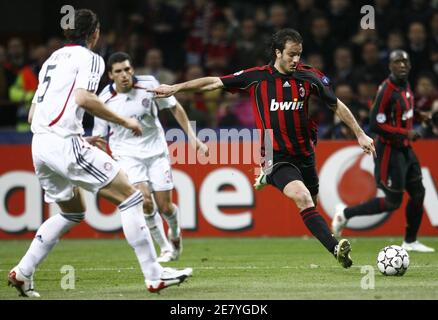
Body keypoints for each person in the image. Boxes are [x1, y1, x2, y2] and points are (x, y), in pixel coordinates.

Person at [149, 28, 376, 268]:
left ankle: (266, 178)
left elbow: (336, 105)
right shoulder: (256, 77)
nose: (296, 60)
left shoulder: (309, 77)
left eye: (299, 54)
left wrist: (360, 134)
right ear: (278, 52)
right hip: (274, 154)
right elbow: (214, 83)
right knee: (303, 197)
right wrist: (176, 87)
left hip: (305, 153)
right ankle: (336, 249)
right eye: (291, 54)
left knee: (313, 202)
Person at [7, 9, 192, 298]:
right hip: (64, 143)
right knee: (131, 197)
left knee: (73, 212)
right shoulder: (90, 58)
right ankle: (155, 276)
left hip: (40, 146)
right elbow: (84, 98)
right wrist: (124, 120)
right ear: (95, 33)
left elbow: (33, 114)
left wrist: (78, 132)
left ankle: (23, 271)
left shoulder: (50, 61)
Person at [92, 52, 208, 262]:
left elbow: (175, 107)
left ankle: (175, 233)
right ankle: (165, 248)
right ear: (111, 75)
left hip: (156, 152)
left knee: (165, 207)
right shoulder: (103, 100)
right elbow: (100, 137)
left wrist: (192, 137)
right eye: (118, 71)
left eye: (127, 69)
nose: (124, 75)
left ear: (132, 69)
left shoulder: (149, 85)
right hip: (127, 154)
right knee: (145, 201)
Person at [332, 50, 435, 253]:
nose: (402, 65)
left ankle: (410, 241)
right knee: (392, 202)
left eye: (405, 61)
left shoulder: (405, 85)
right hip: (389, 150)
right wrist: (405, 132)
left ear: (410, 65)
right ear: (390, 66)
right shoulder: (386, 90)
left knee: (418, 193)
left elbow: (400, 113)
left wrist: (419, 116)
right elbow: (375, 124)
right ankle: (345, 213)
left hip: (405, 149)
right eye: (398, 62)